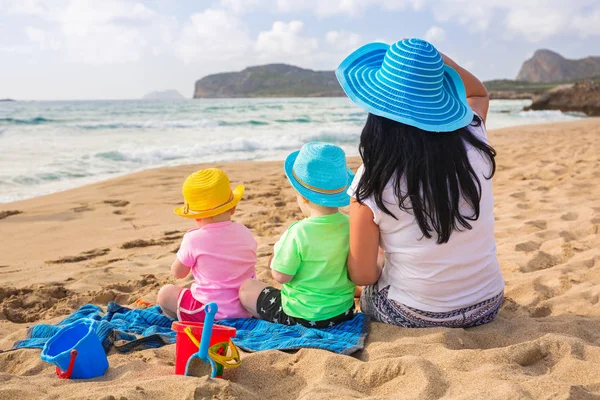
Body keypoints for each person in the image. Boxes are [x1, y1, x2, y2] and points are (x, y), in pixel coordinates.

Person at [336, 38, 505, 328]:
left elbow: (363, 276)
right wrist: (437, 61)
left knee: (369, 265)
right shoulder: (475, 135)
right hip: (487, 304)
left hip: (415, 314)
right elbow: (478, 93)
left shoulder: (372, 179)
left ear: (377, 108)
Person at [238, 142, 356, 328]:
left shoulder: (298, 232)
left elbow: (281, 277)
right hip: (343, 313)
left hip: (302, 316)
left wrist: (273, 261)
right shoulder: (350, 225)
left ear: (303, 197)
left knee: (247, 289)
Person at [157, 168, 257, 321]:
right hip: (244, 309)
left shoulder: (193, 238)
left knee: (165, 293)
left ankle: (184, 318)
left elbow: (179, 273)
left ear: (195, 217)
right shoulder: (245, 232)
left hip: (209, 312)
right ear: (233, 208)